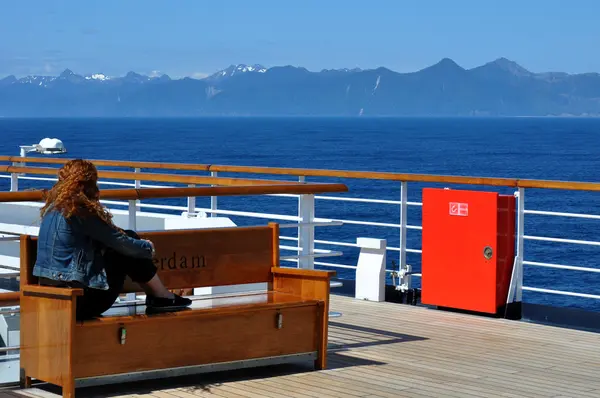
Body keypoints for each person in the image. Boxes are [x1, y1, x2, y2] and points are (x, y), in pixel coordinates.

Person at [33, 159, 192, 320]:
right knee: (126, 243)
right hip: (78, 301)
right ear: (84, 185)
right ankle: (161, 295)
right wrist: (147, 248)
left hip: (49, 296)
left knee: (125, 242)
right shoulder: (79, 211)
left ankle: (160, 296)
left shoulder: (52, 208)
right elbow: (119, 241)